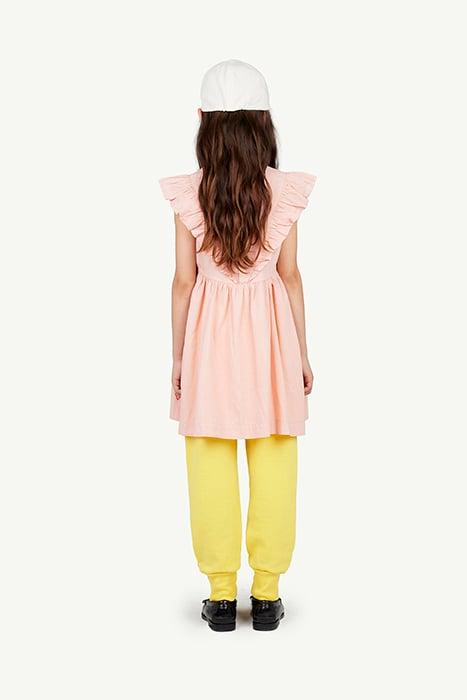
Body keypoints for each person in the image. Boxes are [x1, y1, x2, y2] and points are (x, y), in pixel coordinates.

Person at [159, 59, 317, 632]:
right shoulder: (283, 193)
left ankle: (222, 596)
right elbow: (290, 275)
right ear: (264, 122)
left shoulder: (191, 194)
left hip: (208, 339)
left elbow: (184, 282)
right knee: (275, 454)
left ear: (202, 118)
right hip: (271, 335)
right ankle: (268, 594)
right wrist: (302, 352)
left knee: (209, 458)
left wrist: (179, 357)